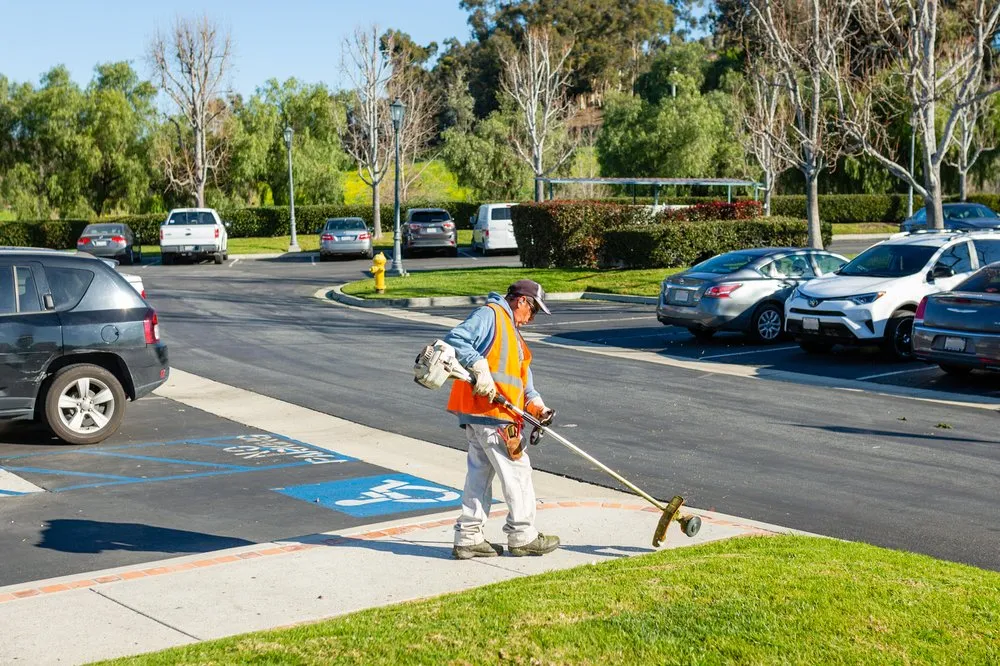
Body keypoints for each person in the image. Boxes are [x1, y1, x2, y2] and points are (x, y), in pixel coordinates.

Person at [442, 279, 561, 560]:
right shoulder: (491, 315)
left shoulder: (511, 331)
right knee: (518, 473)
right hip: (495, 416)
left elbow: (521, 381)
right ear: (521, 301)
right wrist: (478, 366)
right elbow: (456, 339)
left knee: (479, 476)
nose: (532, 318)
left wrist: (537, 406)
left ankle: (468, 537)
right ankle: (523, 535)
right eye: (533, 310)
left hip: (486, 415)